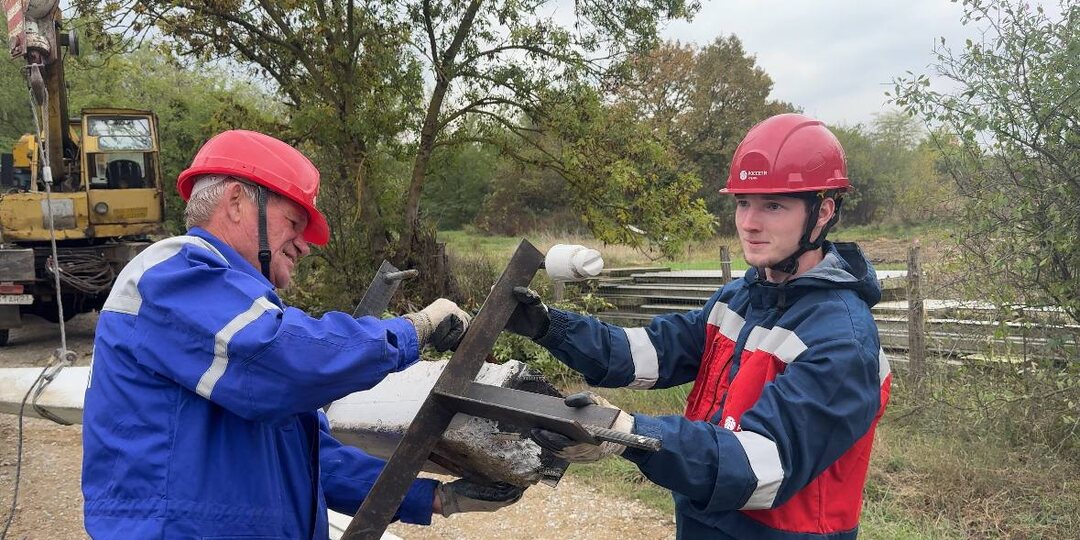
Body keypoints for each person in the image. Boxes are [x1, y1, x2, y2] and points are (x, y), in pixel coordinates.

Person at [81, 130, 522, 539]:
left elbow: (313, 462)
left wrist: (437, 498)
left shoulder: (234, 320)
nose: (305, 245)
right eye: (294, 222)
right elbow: (287, 359)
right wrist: (413, 330)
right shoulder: (172, 275)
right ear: (236, 201)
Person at [508, 113, 891, 539]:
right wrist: (549, 327)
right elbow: (647, 353)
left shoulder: (843, 340)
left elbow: (763, 467)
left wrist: (630, 433)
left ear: (822, 212)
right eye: (743, 202)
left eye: (773, 205)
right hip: (702, 522)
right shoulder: (741, 298)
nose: (749, 222)